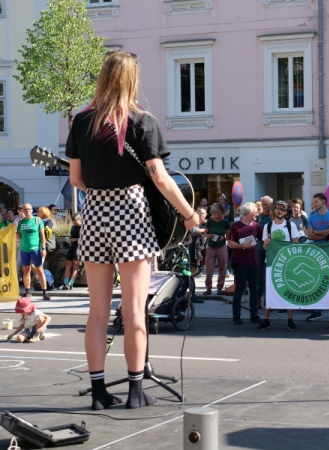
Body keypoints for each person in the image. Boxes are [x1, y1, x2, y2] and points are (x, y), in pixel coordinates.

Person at [66, 51, 198, 410]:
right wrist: (188, 214)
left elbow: (76, 179)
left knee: (97, 312)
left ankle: (98, 393)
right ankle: (136, 391)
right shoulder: (141, 122)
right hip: (130, 213)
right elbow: (159, 176)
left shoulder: (81, 122)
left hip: (94, 213)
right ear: (131, 80)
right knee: (135, 310)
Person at [257, 200, 299, 331]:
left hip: (287, 263)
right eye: (278, 209)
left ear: (286, 212)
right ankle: (266, 320)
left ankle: (290, 320)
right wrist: (267, 244)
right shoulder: (268, 227)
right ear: (273, 210)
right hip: (271, 263)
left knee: (289, 290)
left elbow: (296, 245)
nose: (280, 211)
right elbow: (264, 247)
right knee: (268, 291)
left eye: (282, 209)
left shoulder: (290, 225)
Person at [305, 193, 329, 321]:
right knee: (317, 281)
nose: (313, 204)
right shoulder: (312, 217)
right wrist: (325, 234)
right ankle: (317, 310)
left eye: (316, 202)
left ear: (323, 202)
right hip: (317, 252)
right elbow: (309, 235)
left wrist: (316, 232)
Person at [227, 202, 262, 325]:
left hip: (254, 263)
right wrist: (242, 246)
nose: (257, 213)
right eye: (255, 211)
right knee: (240, 289)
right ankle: (236, 316)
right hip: (240, 263)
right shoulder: (236, 226)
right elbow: (230, 243)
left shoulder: (256, 226)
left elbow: (263, 240)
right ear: (249, 213)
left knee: (254, 289)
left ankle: (254, 315)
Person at [16, 203, 50, 300]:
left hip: (35, 249)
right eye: (25, 209)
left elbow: (42, 236)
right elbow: (19, 235)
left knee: (39, 270)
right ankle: (27, 291)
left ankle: (45, 292)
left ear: (32, 210)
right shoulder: (21, 222)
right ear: (22, 210)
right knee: (26, 271)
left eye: (29, 209)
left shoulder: (37, 220)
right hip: (24, 249)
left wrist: (43, 248)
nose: (27, 211)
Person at [204, 203, 230, 295]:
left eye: (218, 212)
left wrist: (223, 238)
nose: (216, 214)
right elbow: (205, 234)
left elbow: (229, 236)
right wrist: (209, 235)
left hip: (222, 247)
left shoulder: (225, 223)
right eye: (214, 212)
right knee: (209, 269)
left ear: (222, 212)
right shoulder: (210, 221)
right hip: (211, 247)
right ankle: (208, 288)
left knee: (222, 268)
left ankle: (220, 287)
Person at [256, 196, 273, 308]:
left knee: (269, 275)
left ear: (271, 205)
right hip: (259, 249)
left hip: (272, 249)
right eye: (263, 205)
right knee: (259, 275)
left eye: (266, 205)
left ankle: (269, 300)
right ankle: (258, 300)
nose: (264, 207)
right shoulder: (259, 217)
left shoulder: (274, 217)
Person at [61, 213, 82, 290]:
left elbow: (85, 238)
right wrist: (68, 240)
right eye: (73, 221)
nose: (74, 222)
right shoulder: (73, 227)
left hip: (79, 247)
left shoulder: (83, 227)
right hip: (73, 246)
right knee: (68, 263)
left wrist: (75, 239)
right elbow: (70, 237)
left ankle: (70, 283)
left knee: (75, 265)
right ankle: (65, 283)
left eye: (75, 221)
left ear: (80, 219)